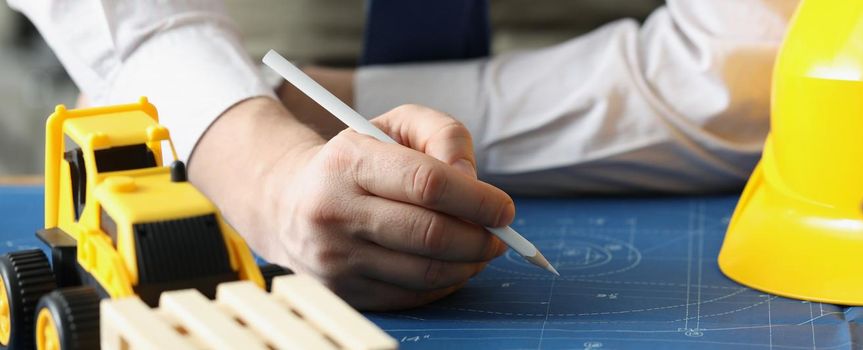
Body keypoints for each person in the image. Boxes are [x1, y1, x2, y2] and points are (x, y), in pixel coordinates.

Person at [6, 0, 796, 309]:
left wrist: (314, 109)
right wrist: (260, 165)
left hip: (576, 57)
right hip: (137, 75)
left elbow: (749, 63)